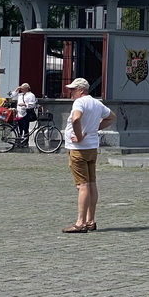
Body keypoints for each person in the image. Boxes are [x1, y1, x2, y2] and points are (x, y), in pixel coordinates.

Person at [62, 77, 115, 233]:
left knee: (82, 185)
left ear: (81, 90)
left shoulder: (80, 102)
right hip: (91, 147)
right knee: (91, 183)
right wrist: (95, 128)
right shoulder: (97, 103)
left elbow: (76, 119)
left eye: (73, 89)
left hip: (79, 148)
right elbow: (112, 117)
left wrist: (78, 136)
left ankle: (80, 222)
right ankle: (91, 220)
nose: (70, 92)